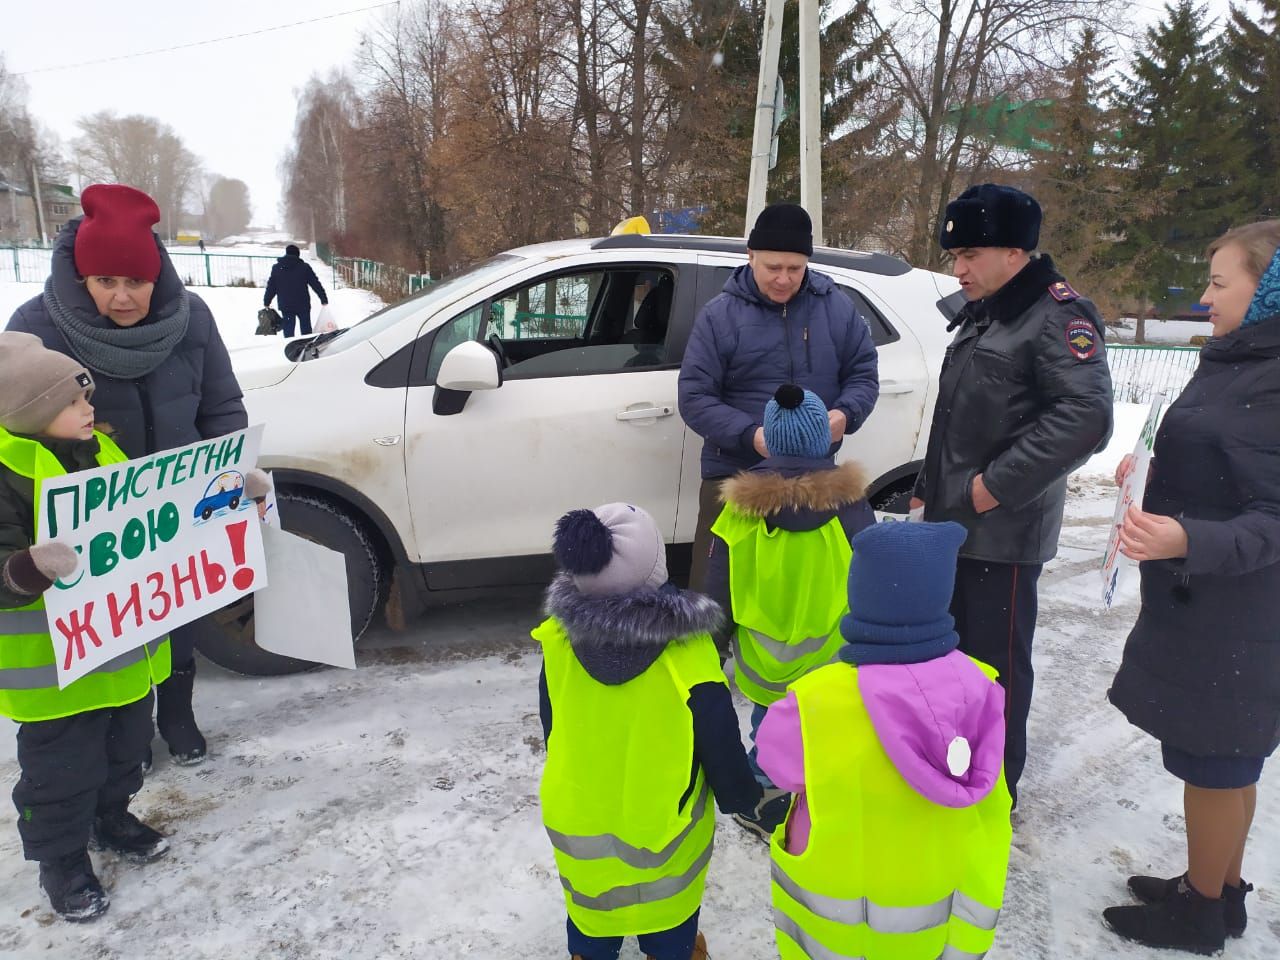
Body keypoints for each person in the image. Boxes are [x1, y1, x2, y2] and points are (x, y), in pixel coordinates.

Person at [7, 183, 248, 768]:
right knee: (113, 622)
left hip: (178, 493)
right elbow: (14, 419)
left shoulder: (191, 320)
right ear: (81, 279)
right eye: (105, 282)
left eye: (135, 282)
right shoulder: (38, 325)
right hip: (93, 507)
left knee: (179, 606)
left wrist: (230, 469)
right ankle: (121, 736)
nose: (121, 297)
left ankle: (179, 712)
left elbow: (219, 404)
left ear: (156, 277)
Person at [1103, 220, 1280, 955]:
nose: (1204, 296)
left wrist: (1186, 538)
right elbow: (1220, 463)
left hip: (1238, 613)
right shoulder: (1243, 360)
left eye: (1218, 281)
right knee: (1227, 759)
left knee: (1214, 765)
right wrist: (1145, 478)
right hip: (1215, 609)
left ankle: (1199, 912)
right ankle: (1222, 889)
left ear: (1266, 289)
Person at [909, 183, 1113, 806]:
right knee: (949, 664)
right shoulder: (988, 309)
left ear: (1014, 252)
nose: (958, 267)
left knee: (993, 671)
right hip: (952, 523)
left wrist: (994, 488)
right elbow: (955, 419)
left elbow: (1085, 417)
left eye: (970, 252)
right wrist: (926, 491)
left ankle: (994, 791)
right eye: (954, 255)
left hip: (1004, 533)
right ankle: (950, 775)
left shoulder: (1057, 316)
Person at [757, 519, 1012, 960]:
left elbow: (777, 766)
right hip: (937, 896)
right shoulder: (981, 685)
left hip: (838, 913)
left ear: (858, 596)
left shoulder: (815, 701)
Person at [535, 503, 761, 960]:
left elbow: (552, 723)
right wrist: (739, 795)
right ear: (655, 568)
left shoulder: (557, 642)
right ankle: (674, 949)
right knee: (668, 906)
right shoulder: (689, 653)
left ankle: (588, 953)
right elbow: (717, 736)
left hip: (580, 812)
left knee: (592, 906)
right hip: (664, 821)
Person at [0, 331, 172, 922]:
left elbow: (159, 520)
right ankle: (63, 863)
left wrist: (227, 499)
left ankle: (112, 816)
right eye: (73, 403)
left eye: (86, 398)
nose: (89, 409)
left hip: (119, 655)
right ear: (34, 414)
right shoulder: (7, 477)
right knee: (60, 773)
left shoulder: (106, 455)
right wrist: (28, 569)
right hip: (53, 675)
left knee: (126, 748)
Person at [678, 202, 879, 594]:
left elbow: (863, 375)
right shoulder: (719, 316)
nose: (784, 279)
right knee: (716, 593)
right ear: (750, 256)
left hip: (814, 477)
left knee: (805, 593)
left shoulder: (836, 308)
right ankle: (711, 655)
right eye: (773, 268)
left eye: (795, 268)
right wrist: (751, 436)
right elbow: (694, 396)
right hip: (733, 475)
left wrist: (845, 414)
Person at [704, 383, 874, 841]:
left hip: (762, 660)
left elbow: (719, 591)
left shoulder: (737, 515)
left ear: (769, 440)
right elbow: (872, 579)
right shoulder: (851, 508)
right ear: (825, 439)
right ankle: (819, 795)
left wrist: (711, 651)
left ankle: (767, 793)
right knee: (826, 728)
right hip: (830, 658)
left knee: (771, 728)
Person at [263, 243, 328, 338]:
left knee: (288, 331)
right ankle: (307, 346)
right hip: (302, 304)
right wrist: (323, 298)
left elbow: (271, 286)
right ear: (298, 255)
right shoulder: (304, 267)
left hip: (286, 305)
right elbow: (315, 284)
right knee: (306, 330)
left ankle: (290, 348)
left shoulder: (277, 268)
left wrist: (267, 301)